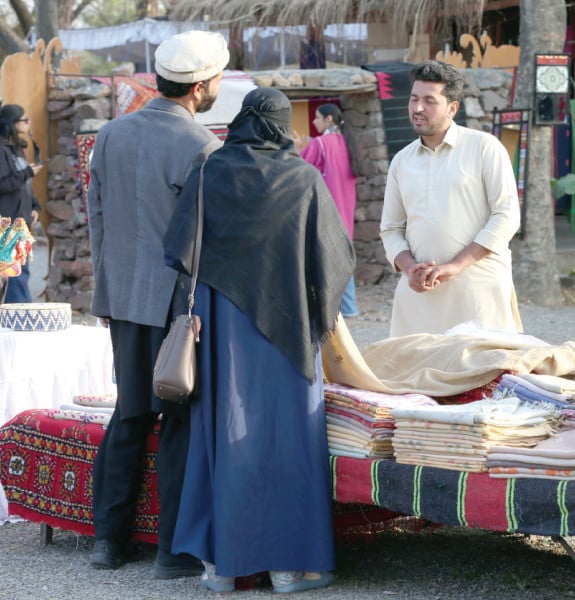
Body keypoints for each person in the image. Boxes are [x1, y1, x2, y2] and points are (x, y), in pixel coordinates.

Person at [164, 87, 353, 594]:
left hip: (220, 326)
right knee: (284, 438)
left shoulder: (209, 171)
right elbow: (335, 259)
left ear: (244, 120)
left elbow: (179, 249)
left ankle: (220, 568)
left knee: (223, 432)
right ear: (280, 123)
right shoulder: (302, 177)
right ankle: (289, 569)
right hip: (286, 329)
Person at [86, 30, 229, 577]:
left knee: (129, 414)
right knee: (177, 421)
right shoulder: (201, 146)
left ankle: (108, 543)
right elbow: (204, 238)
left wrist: (104, 293)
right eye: (216, 79)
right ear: (199, 87)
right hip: (177, 305)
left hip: (121, 298)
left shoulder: (112, 135)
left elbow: (98, 219)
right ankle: (172, 552)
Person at [380, 60, 523, 337]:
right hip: (418, 297)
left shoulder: (484, 147)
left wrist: (456, 265)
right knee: (413, 375)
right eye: (414, 99)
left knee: (482, 376)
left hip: (477, 292)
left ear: (453, 108)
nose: (418, 108)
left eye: (429, 101)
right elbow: (391, 228)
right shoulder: (402, 161)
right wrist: (411, 270)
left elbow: (506, 215)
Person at [294, 103, 362, 317]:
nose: (314, 122)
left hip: (325, 212)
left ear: (329, 119)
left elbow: (300, 172)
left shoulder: (321, 144)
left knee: (322, 263)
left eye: (317, 117)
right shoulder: (349, 143)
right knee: (344, 259)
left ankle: (328, 311)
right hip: (346, 210)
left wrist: (296, 150)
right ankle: (349, 308)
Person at [0, 104, 43, 303]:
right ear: (12, 124)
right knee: (16, 276)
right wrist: (28, 172)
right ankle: (21, 323)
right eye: (25, 120)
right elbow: (3, 184)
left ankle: (17, 322)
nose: (29, 124)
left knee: (18, 272)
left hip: (19, 222)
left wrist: (35, 206)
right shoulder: (1, 151)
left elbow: (23, 185)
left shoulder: (16, 150)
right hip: (7, 224)